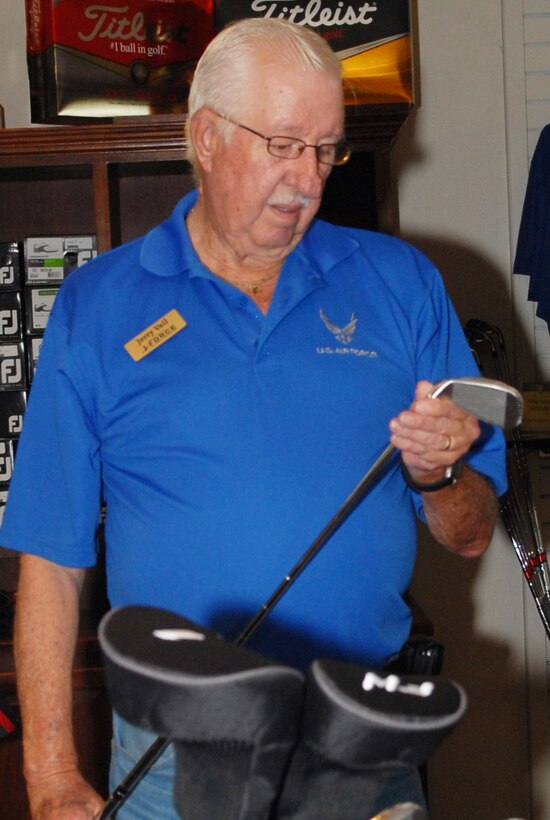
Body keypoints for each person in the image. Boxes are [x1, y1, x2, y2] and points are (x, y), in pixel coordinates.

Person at [1, 17, 505, 820]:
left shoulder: (400, 283)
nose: (308, 178)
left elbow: (472, 530)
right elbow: (50, 557)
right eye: (283, 143)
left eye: (326, 148)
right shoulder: (99, 306)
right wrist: (52, 776)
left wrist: (439, 473)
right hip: (171, 756)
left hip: (361, 743)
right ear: (205, 137)